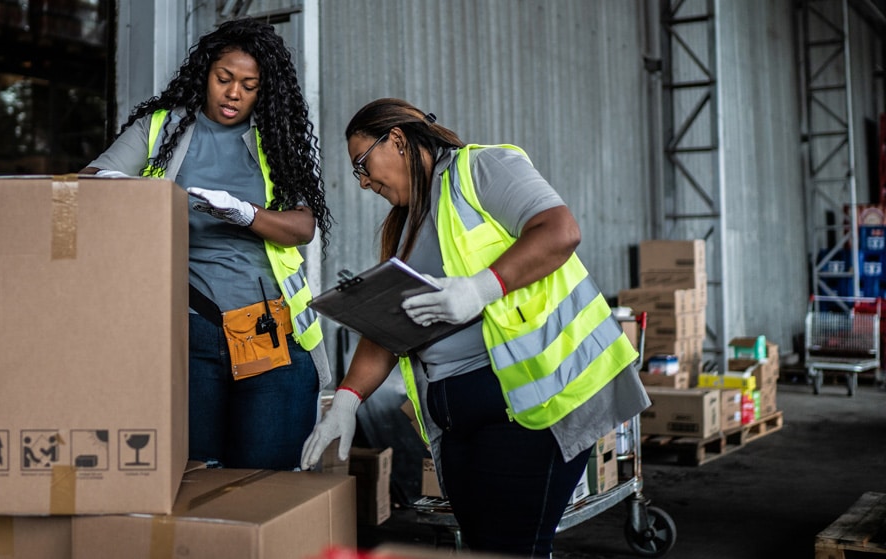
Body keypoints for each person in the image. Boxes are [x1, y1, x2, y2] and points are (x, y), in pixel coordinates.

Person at [300, 98, 650, 558]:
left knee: (512, 549)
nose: (364, 182)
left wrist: (482, 288)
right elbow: (389, 326)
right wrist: (347, 399)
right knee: (482, 549)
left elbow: (559, 230)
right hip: (456, 422)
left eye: (363, 165)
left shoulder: (481, 169)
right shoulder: (406, 226)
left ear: (399, 141)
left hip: (529, 408)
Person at [80, 18, 333, 471]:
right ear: (205, 74)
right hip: (188, 329)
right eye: (224, 79)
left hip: (270, 333)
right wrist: (129, 189)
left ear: (263, 91)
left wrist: (247, 214)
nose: (234, 93)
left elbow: (303, 226)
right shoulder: (160, 130)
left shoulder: (275, 138)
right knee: (196, 480)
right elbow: (89, 185)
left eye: (249, 85)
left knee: (267, 485)